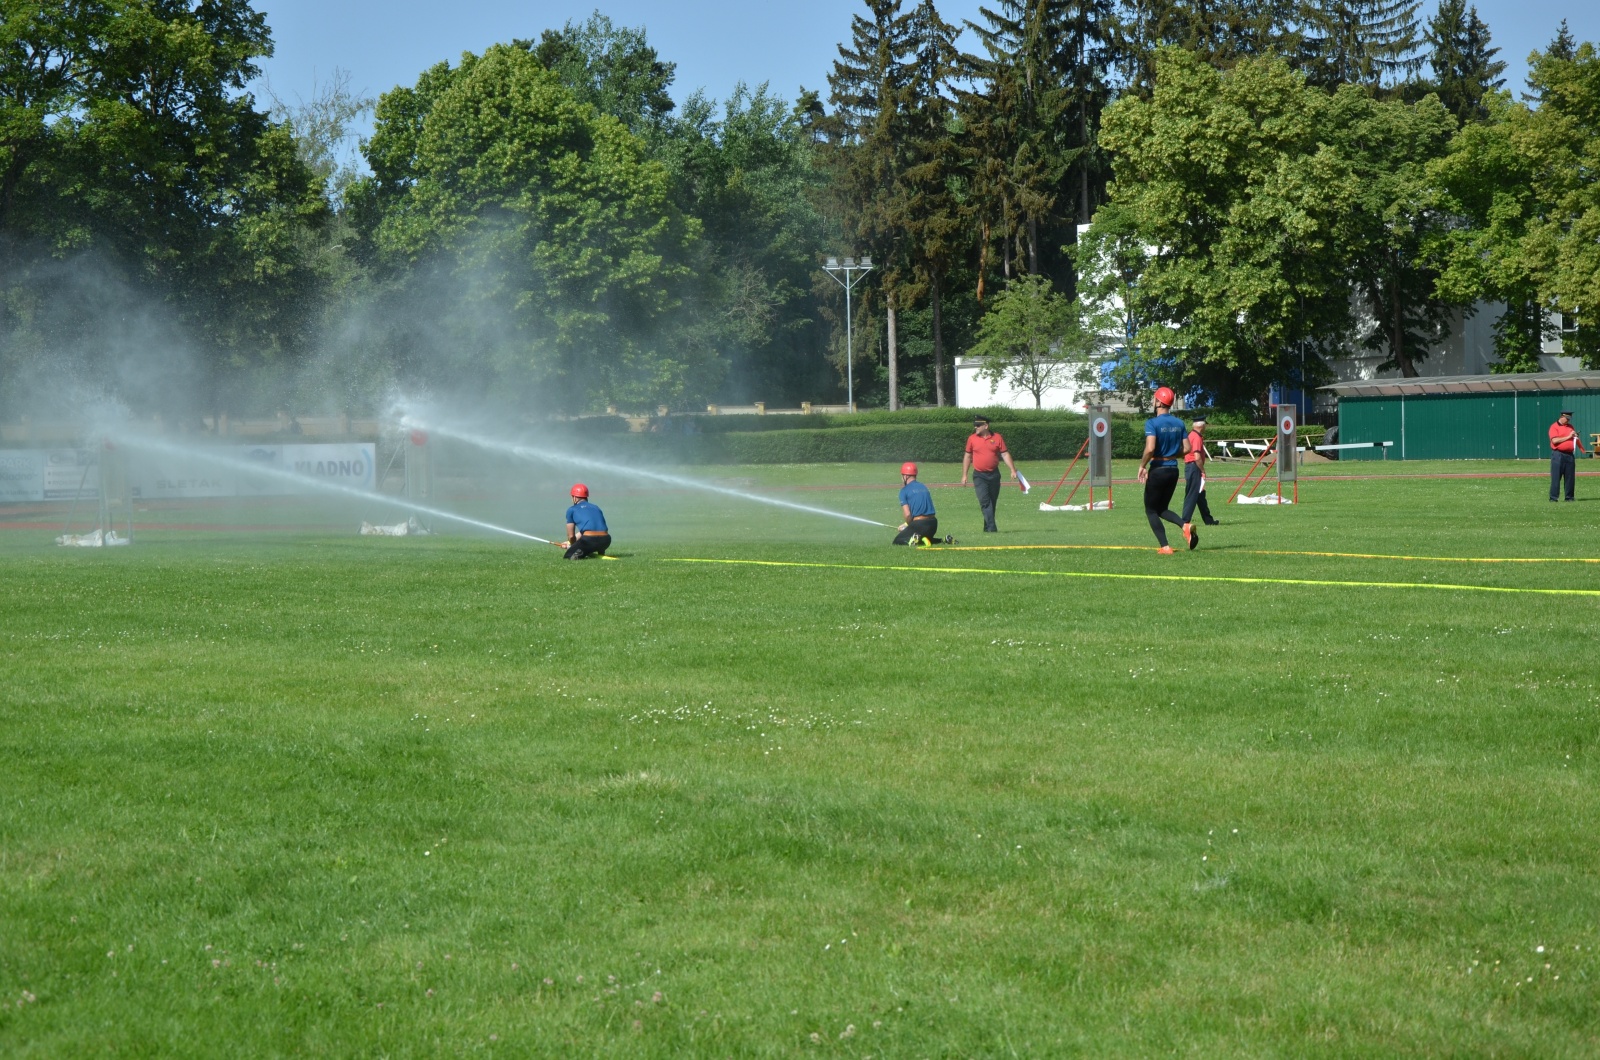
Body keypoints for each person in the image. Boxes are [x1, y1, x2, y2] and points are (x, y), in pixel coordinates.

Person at [1137, 387, 1193, 553]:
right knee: (1162, 508)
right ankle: (1185, 526)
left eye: (1154, 398)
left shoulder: (1152, 423)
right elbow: (1188, 448)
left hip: (1158, 469)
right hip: (1173, 470)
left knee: (1151, 510)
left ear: (1159, 402)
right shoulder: (1179, 423)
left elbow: (1150, 448)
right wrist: (1172, 454)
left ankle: (1165, 546)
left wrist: (1142, 466)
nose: (1153, 401)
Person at [959, 415, 1019, 533]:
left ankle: (987, 528)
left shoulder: (997, 437)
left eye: (978, 425)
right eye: (975, 425)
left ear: (986, 426)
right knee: (985, 502)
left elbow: (1005, 454)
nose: (975, 427)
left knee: (992, 502)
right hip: (979, 475)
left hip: (994, 474)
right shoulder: (972, 438)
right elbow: (967, 456)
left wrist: (1012, 470)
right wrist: (964, 474)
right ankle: (992, 529)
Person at [1181, 417, 1221, 534]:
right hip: (1194, 468)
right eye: (1205, 425)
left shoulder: (1191, 435)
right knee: (1192, 495)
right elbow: (1197, 457)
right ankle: (1185, 521)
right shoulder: (1197, 437)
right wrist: (1203, 470)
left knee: (1200, 495)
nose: (1205, 427)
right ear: (1201, 426)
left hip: (1191, 467)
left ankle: (1208, 520)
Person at [560, 483, 611, 559]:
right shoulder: (596, 507)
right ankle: (600, 552)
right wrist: (569, 543)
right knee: (594, 539)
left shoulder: (572, 510)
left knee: (568, 557)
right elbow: (592, 528)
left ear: (574, 498)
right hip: (606, 540)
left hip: (589, 541)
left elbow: (571, 536)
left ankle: (580, 552)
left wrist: (572, 546)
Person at [892, 462, 939, 546]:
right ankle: (943, 540)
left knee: (897, 541)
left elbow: (907, 515)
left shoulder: (904, 491)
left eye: (902, 476)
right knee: (926, 538)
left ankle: (916, 539)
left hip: (920, 524)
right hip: (933, 524)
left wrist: (907, 525)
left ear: (906, 476)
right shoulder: (923, 486)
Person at [1549, 410, 1588, 502]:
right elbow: (1554, 441)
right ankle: (1553, 498)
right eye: (1567, 418)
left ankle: (1569, 497)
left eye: (1570, 418)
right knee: (1556, 477)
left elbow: (1574, 438)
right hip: (1558, 454)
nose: (1568, 420)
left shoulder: (1570, 427)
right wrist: (1568, 436)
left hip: (1569, 455)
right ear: (1562, 417)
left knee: (1570, 477)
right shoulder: (1554, 427)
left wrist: (1581, 448)